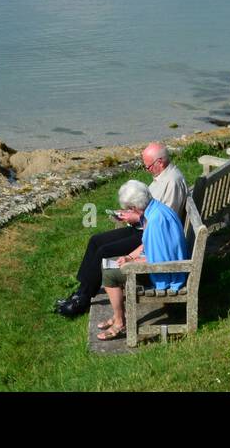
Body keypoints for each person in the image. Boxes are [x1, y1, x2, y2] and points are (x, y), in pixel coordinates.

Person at [54, 141, 187, 318]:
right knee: (95, 240)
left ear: (160, 162)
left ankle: (83, 299)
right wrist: (133, 214)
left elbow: (162, 222)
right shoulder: (163, 177)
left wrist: (136, 217)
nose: (147, 170)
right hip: (142, 227)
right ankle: (81, 290)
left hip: (147, 233)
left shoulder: (172, 182)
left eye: (148, 166)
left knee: (103, 251)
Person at [95, 179, 191, 341]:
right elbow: (147, 245)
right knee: (109, 263)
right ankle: (117, 314)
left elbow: (157, 262)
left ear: (133, 207)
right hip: (169, 266)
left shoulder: (155, 222)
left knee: (110, 275)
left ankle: (119, 322)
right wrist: (130, 256)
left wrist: (131, 264)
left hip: (166, 275)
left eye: (127, 208)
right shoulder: (155, 209)